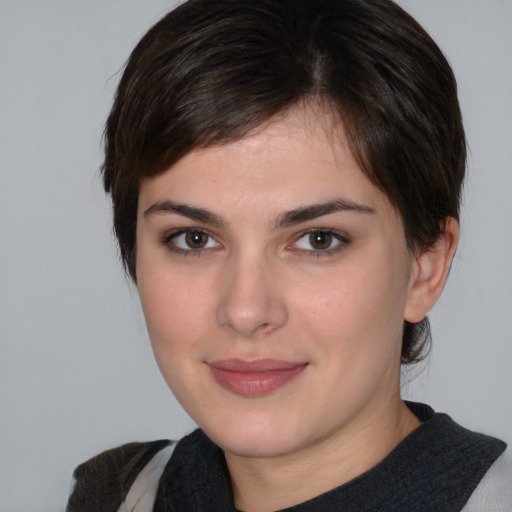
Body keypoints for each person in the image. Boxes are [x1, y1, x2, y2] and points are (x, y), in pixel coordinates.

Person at [66, 0, 511, 510]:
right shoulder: (115, 495)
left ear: (426, 266)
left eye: (318, 240)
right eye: (194, 239)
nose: (246, 310)